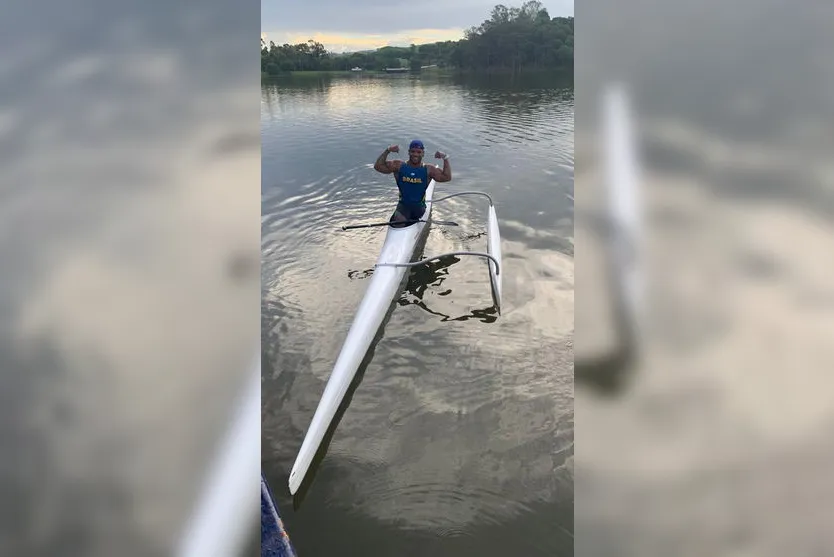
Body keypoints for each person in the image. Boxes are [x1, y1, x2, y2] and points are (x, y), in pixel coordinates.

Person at [373, 139, 452, 226]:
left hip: (419, 209)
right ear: (409, 152)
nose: (415, 154)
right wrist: (388, 150)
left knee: (405, 219)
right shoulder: (398, 166)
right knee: (399, 222)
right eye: (413, 151)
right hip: (403, 207)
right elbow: (378, 166)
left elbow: (447, 177)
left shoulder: (429, 169)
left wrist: (445, 158)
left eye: (418, 152)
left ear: (423, 153)